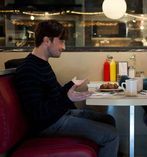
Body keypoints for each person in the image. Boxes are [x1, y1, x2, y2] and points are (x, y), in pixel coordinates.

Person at [14, 20, 119, 157]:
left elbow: (55, 94)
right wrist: (67, 98)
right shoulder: (28, 69)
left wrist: (70, 86)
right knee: (112, 136)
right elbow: (38, 114)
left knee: (109, 120)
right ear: (47, 41)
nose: (64, 47)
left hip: (59, 115)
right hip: (48, 125)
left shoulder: (42, 64)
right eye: (61, 41)